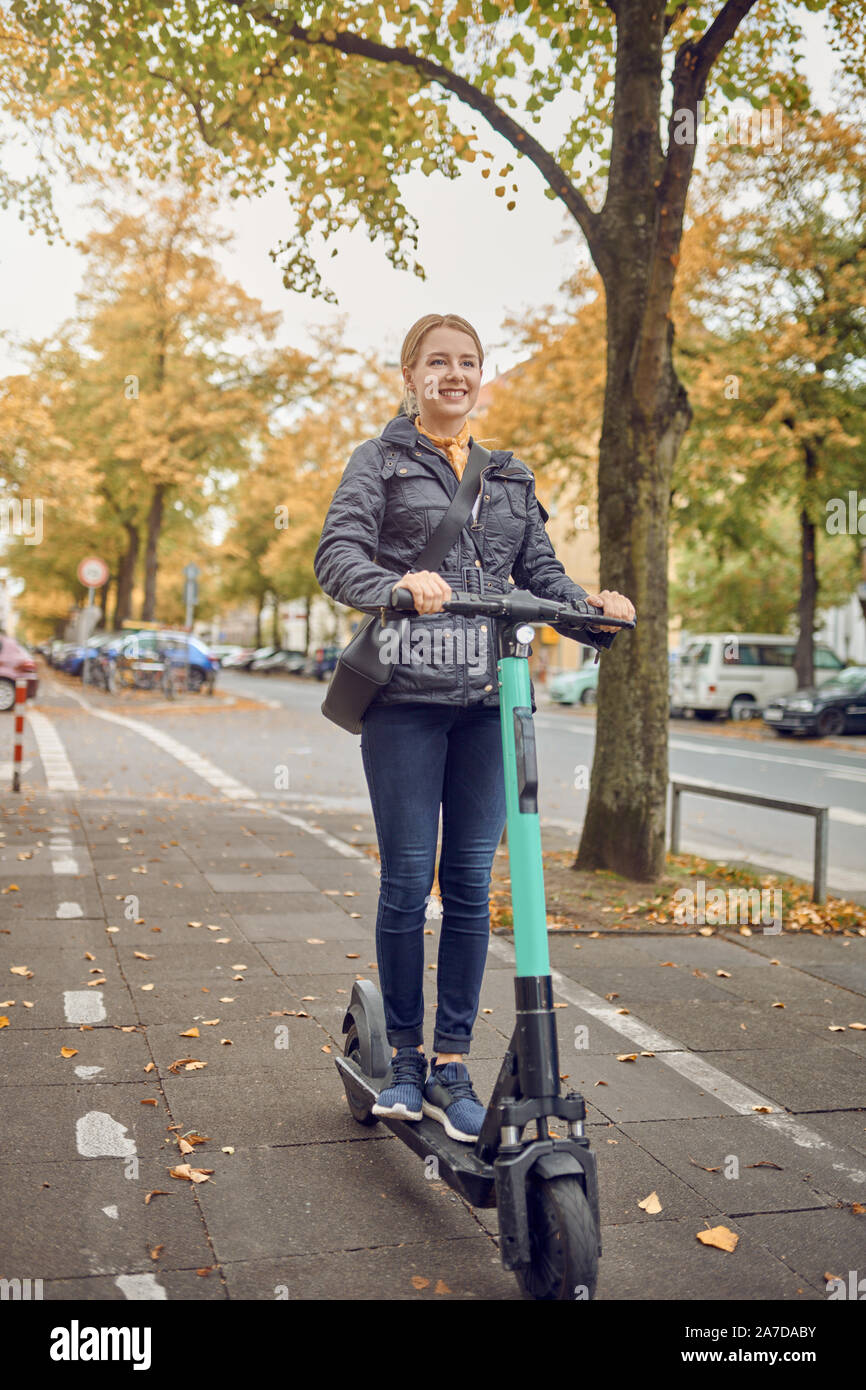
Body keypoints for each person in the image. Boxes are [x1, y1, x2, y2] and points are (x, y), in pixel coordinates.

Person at [313, 313, 634, 1142]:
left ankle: (451, 1061)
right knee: (406, 880)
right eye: (438, 362)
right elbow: (336, 557)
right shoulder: (378, 461)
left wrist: (592, 613)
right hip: (406, 700)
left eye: (468, 363)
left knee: (469, 888)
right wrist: (397, 584)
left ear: (479, 377)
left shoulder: (512, 477)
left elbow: (543, 576)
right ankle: (406, 1059)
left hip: (492, 700)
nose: (454, 375)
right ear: (410, 374)